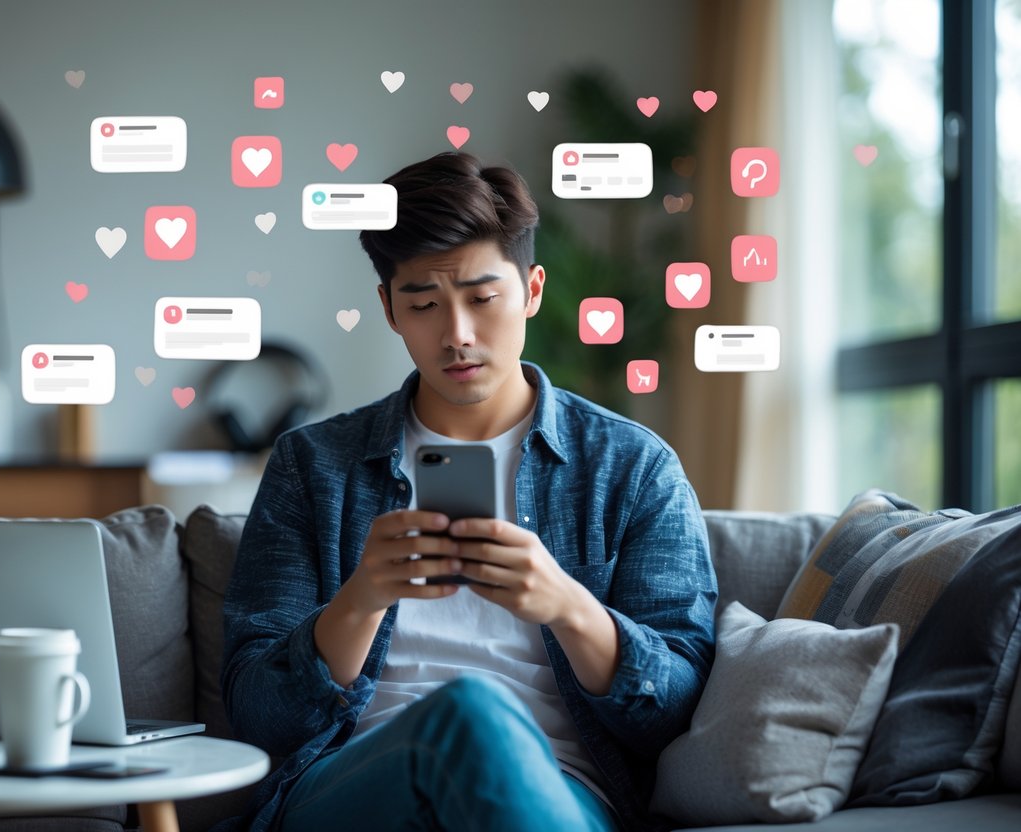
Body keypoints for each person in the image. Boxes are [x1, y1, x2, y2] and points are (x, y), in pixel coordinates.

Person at [220, 151, 717, 832]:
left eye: (482, 299)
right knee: (464, 715)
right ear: (389, 309)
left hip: (557, 791)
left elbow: (674, 711)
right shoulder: (313, 465)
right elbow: (257, 714)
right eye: (422, 303)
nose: (456, 336)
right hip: (354, 785)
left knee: (478, 721)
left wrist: (569, 608)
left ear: (532, 290)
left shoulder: (631, 467)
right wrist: (360, 601)